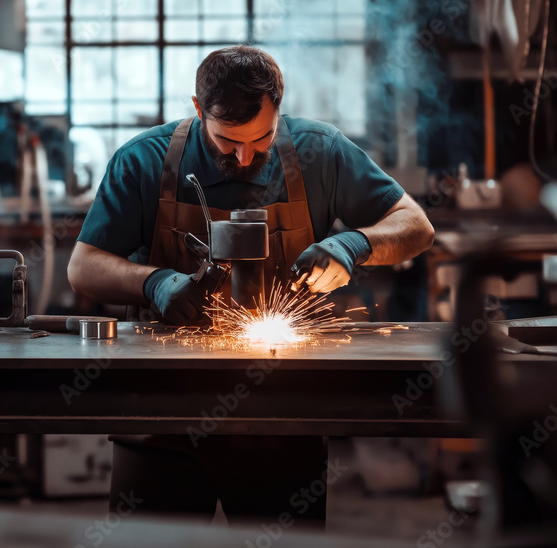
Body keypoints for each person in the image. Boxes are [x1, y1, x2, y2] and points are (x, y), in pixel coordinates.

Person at [67, 45, 434, 527]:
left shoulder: (321, 151)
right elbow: (83, 267)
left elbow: (416, 225)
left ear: (279, 108)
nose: (244, 157)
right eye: (227, 141)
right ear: (198, 109)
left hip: (283, 410)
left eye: (262, 138)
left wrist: (355, 244)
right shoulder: (143, 160)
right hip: (161, 411)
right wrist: (154, 283)